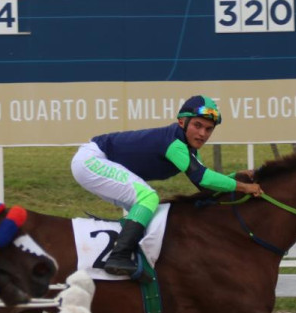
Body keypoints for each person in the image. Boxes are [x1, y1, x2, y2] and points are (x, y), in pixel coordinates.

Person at [71, 95, 264, 277]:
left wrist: (234, 177)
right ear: (182, 122)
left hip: (92, 161)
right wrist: (244, 187)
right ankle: (118, 257)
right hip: (91, 159)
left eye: (208, 129)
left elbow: (205, 185)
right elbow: (204, 178)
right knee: (148, 197)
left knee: (147, 211)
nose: (202, 134)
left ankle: (130, 255)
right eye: (197, 125)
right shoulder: (174, 143)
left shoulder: (188, 149)